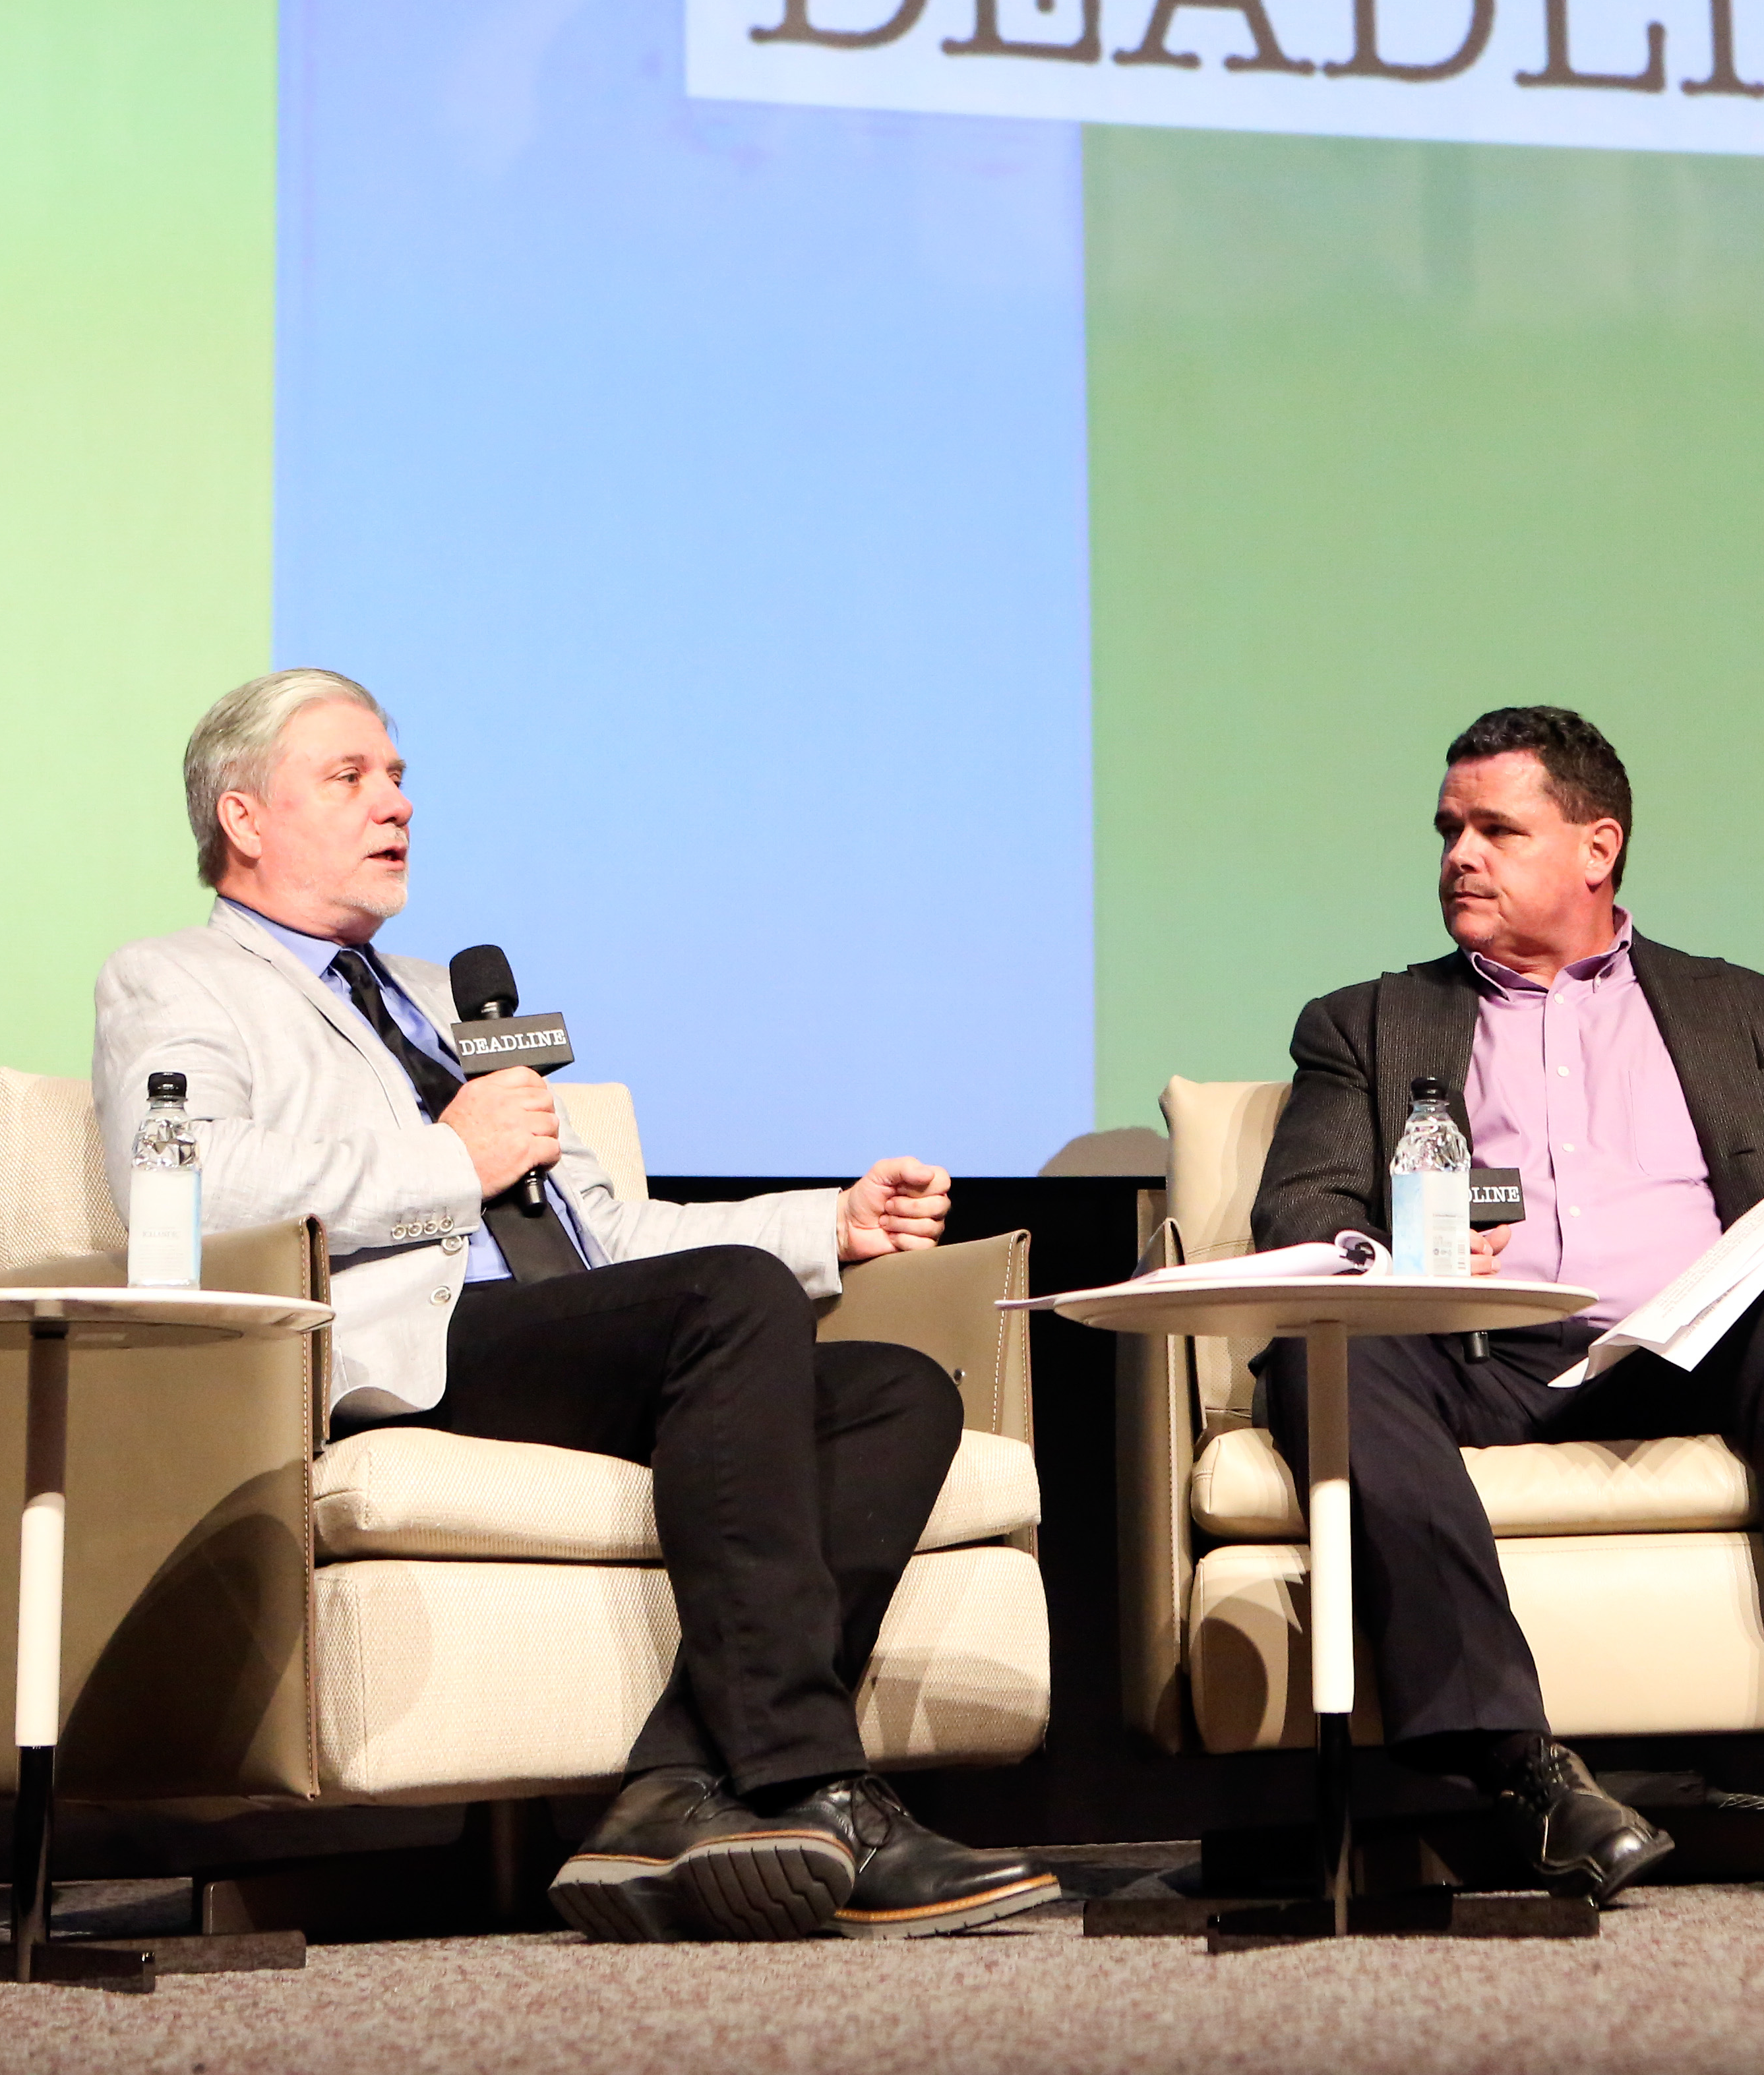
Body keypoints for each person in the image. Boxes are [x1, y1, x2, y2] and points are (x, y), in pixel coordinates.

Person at [93, 668, 1054, 1942]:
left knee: (894, 1391)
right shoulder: (175, 983)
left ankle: (673, 1783)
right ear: (244, 819)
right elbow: (201, 1194)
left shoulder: (443, 1001)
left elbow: (613, 1236)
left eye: (399, 774)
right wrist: (455, 1158)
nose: (400, 803)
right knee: (731, 1303)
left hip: (568, 1340)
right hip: (408, 1355)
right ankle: (811, 1780)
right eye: (352, 777)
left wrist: (823, 1223)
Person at [1251, 705, 1764, 1905]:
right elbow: (1301, 1210)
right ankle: (1528, 1778)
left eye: (1495, 828)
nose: (1458, 857)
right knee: (1334, 1361)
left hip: (1695, 1352)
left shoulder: (1746, 1010)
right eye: (1448, 831)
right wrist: (1393, 1258)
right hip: (1480, 1362)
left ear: (1598, 848)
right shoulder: (1364, 1025)